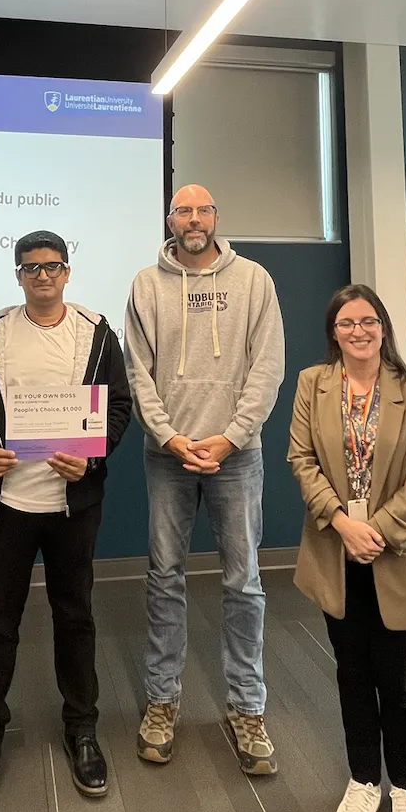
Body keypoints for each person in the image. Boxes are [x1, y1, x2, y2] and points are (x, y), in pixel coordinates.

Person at [0, 230, 131, 812]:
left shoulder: (98, 333)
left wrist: (94, 455)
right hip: (9, 506)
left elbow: (120, 407)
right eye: (31, 269)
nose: (43, 277)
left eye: (52, 267)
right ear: (18, 275)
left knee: (75, 616)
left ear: (68, 272)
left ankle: (82, 729)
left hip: (72, 507)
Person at [125, 185, 285, 775]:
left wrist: (231, 436)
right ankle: (162, 702)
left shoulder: (255, 281)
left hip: (236, 456)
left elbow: (268, 366)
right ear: (170, 220)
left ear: (217, 217)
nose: (193, 219)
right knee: (164, 578)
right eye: (183, 210)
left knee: (243, 583)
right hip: (167, 455)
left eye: (204, 209)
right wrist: (170, 436)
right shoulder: (146, 284)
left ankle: (248, 707)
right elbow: (136, 371)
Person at [287, 283, 406, 812]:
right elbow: (300, 458)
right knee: (351, 676)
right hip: (336, 553)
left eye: (369, 321)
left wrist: (375, 529)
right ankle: (363, 783)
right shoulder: (313, 384)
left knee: (399, 685)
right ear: (334, 331)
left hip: (393, 555)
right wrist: (342, 524)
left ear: (384, 329)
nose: (359, 331)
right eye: (347, 322)